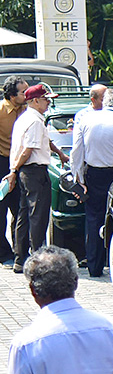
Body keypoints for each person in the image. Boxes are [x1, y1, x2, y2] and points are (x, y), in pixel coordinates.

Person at [71, 89, 113, 277]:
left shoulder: (86, 120)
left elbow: (76, 152)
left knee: (94, 219)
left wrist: (79, 178)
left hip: (94, 174)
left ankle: (95, 266)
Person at [10, 84, 69, 274]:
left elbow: (44, 141)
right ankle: (37, 258)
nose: (48, 103)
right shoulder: (34, 121)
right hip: (33, 170)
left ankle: (21, 258)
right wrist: (14, 169)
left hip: (27, 171)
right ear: (35, 101)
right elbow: (28, 150)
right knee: (38, 215)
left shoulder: (27, 118)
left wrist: (59, 152)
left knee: (24, 213)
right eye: (46, 99)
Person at [0, 76, 27, 264]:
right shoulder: (1, 111)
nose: (27, 95)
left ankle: (20, 250)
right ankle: (3, 253)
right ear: (11, 95)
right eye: (23, 92)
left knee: (20, 209)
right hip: (2, 162)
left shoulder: (27, 110)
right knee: (1, 209)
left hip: (21, 164)